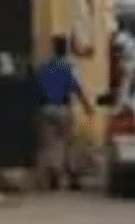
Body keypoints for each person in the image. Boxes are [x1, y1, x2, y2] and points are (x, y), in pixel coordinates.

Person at [35, 34, 93, 191]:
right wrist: (87, 106)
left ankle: (54, 174)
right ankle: (72, 176)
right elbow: (76, 88)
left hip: (46, 109)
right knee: (69, 143)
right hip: (63, 109)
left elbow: (36, 88)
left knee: (50, 144)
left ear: (53, 48)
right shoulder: (67, 67)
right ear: (65, 49)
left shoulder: (44, 67)